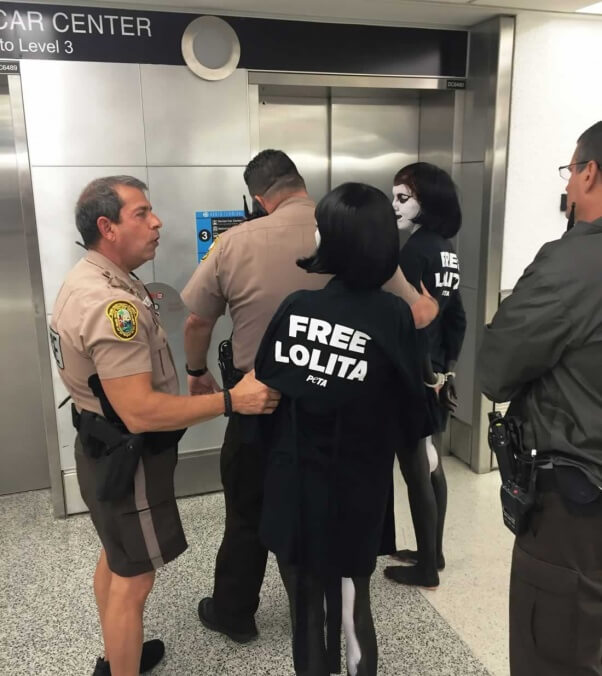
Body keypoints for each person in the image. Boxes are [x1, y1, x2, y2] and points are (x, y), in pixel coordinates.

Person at [181, 150, 438, 644]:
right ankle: (316, 603)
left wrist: (195, 372)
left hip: (259, 399)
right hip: (342, 413)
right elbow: (414, 314)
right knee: (315, 505)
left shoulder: (234, 242)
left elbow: (196, 320)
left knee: (246, 507)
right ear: (300, 183)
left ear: (258, 198)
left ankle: (236, 611)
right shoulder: (358, 231)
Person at [49, 176, 279, 676]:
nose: (157, 223)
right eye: (142, 214)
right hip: (125, 455)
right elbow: (141, 412)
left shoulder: (91, 277)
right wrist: (231, 400)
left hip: (97, 446)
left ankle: (115, 658)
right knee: (135, 579)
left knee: (117, 558)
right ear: (106, 226)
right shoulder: (113, 306)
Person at [254, 182, 429, 676]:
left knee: (307, 605)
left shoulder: (295, 308)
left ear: (326, 238)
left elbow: (262, 398)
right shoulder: (394, 315)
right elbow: (412, 415)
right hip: (356, 485)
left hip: (295, 483)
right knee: (352, 604)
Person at [478, 121, 602, 676]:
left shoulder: (575, 265)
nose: (569, 188)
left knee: (555, 647)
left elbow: (496, 370)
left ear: (590, 172)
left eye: (571, 172)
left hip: (579, 509)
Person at [384, 163, 466, 590]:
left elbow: (410, 323)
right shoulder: (446, 248)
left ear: (426, 201)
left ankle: (426, 569)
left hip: (415, 378)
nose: (394, 205)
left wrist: (425, 374)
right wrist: (446, 370)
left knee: (418, 470)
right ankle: (433, 552)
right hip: (435, 374)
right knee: (433, 464)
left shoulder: (412, 253)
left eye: (403, 197)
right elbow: (457, 317)